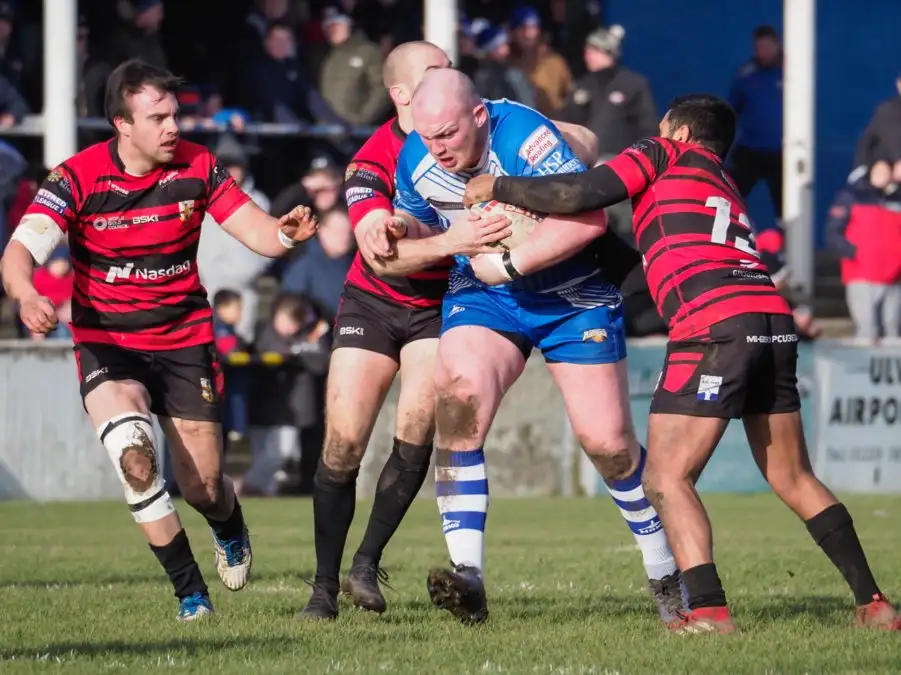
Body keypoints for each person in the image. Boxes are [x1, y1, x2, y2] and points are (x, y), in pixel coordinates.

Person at [462, 93, 901, 634]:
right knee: (793, 475)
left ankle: (710, 612)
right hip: (771, 318)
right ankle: (874, 603)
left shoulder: (664, 153)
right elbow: (638, 260)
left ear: (681, 132)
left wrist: (499, 188)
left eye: (663, 125)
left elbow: (584, 192)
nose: (654, 132)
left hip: (714, 326)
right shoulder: (719, 181)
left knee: (667, 478)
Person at [298, 41, 629, 622]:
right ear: (403, 95)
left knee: (422, 431)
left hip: (448, 303)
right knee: (344, 443)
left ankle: (366, 566)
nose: (448, 80)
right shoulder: (379, 156)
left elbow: (585, 144)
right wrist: (430, 234)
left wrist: (536, 176)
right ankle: (322, 589)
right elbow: (383, 250)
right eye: (434, 73)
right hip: (377, 301)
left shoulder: (490, 124)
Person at [0, 59, 319, 622]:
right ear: (123, 124)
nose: (173, 126)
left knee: (204, 486)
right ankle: (190, 594)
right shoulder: (76, 178)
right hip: (108, 344)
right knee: (135, 458)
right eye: (158, 117)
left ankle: (228, 524)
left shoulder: (198, 165)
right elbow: (19, 253)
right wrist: (27, 295)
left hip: (183, 340)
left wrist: (284, 235)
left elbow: (258, 232)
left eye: (174, 114)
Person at [368, 68, 686, 626]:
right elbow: (419, 226)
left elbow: (587, 219)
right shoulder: (417, 154)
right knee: (458, 402)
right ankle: (468, 576)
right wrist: (393, 228)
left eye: (447, 134)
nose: (436, 147)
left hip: (573, 294)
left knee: (608, 444)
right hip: (485, 294)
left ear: (479, 116)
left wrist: (511, 262)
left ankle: (664, 568)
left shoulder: (526, 136)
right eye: (426, 135)